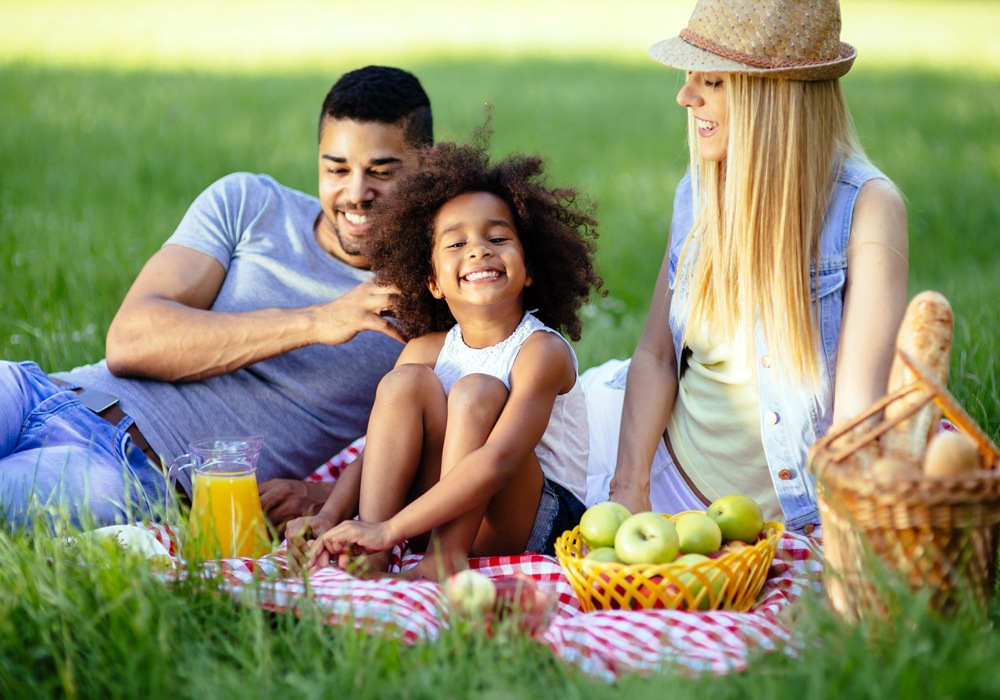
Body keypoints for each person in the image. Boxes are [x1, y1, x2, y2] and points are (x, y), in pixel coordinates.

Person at [0, 66, 433, 531]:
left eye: (382, 173)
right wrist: (317, 321)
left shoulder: (434, 294)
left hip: (132, 473)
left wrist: (326, 496)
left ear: (428, 167)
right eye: (337, 168)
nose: (356, 193)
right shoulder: (249, 203)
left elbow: (475, 448)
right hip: (42, 391)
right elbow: (130, 341)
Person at [584, 0, 909, 535]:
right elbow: (656, 355)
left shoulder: (866, 209)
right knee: (487, 415)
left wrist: (843, 545)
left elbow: (857, 421)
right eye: (690, 75)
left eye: (710, 80)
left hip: (789, 514)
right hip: (662, 470)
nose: (685, 97)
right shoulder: (697, 192)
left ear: (773, 97)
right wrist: (629, 488)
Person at [289, 140, 603, 579]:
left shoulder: (540, 352)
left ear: (530, 268)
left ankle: (442, 561)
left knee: (477, 390)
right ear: (433, 281)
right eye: (456, 243)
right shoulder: (426, 350)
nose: (478, 250)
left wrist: (393, 527)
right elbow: (377, 451)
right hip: (432, 514)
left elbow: (499, 461)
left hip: (532, 522)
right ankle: (370, 555)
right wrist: (337, 517)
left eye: (497, 238)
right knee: (404, 385)